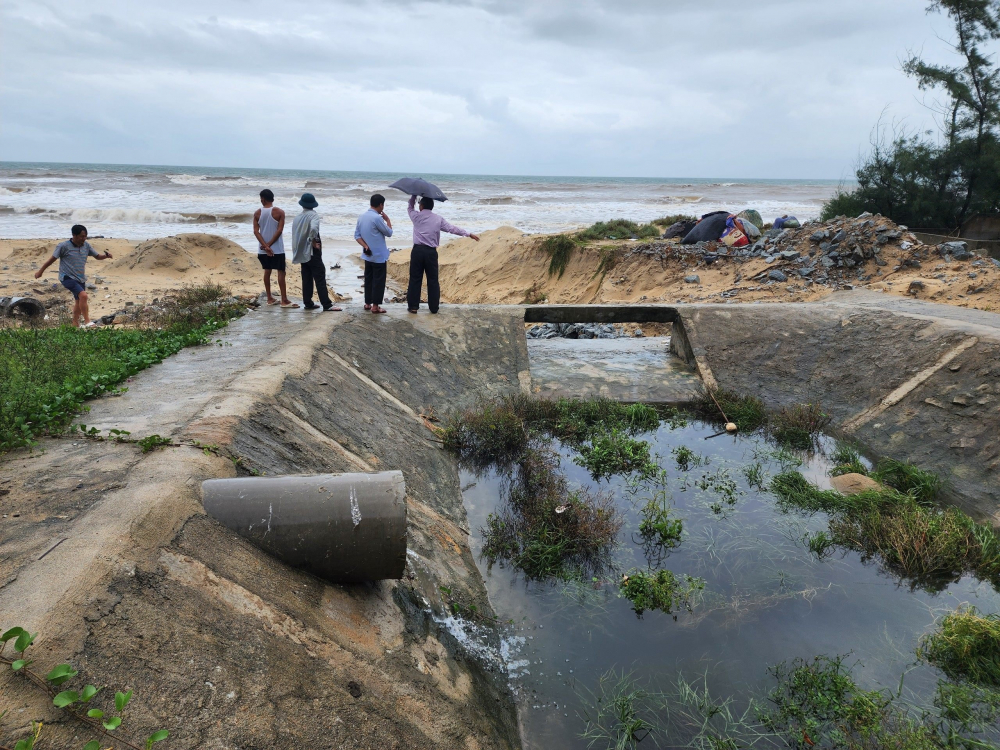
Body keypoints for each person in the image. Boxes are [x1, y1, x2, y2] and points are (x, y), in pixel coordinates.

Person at [406, 195, 479, 313]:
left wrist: (414, 195)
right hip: (431, 252)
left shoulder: (416, 216)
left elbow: (410, 207)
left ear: (422, 206)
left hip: (418, 251)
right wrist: (468, 233)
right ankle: (434, 308)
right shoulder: (438, 219)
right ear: (432, 206)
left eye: (419, 204)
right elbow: (452, 229)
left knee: (415, 279)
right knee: (433, 280)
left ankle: (413, 307)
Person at [34, 224, 112, 327]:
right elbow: (51, 260)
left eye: (85, 236)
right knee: (83, 296)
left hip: (80, 278)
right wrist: (40, 271)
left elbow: (97, 256)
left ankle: (75, 324)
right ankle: (87, 321)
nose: (83, 239)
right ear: (74, 235)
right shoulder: (63, 246)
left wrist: (105, 256)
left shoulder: (86, 246)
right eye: (81, 236)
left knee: (78, 301)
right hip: (67, 277)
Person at [291, 193, 340, 312]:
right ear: (313, 205)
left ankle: (308, 303)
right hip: (312, 252)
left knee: (306, 278)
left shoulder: (297, 217)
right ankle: (327, 305)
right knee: (320, 277)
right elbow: (313, 229)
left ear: (302, 204)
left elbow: (295, 235)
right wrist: (312, 242)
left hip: (302, 251)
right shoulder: (314, 216)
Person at [253, 189, 297, 308]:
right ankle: (284, 300)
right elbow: (279, 230)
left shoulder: (257, 213)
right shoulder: (279, 212)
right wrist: (270, 245)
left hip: (262, 249)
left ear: (263, 198)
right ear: (272, 198)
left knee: (267, 271)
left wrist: (265, 246)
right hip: (277, 249)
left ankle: (269, 298)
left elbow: (256, 232)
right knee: (281, 272)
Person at [354, 193, 393, 313]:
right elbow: (389, 232)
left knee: (369, 279)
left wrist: (365, 246)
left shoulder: (362, 216)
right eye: (383, 205)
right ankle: (375, 306)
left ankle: (367, 303)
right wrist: (387, 219)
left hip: (367, 254)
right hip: (379, 256)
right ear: (381, 205)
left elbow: (357, 236)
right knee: (379, 281)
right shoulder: (377, 218)